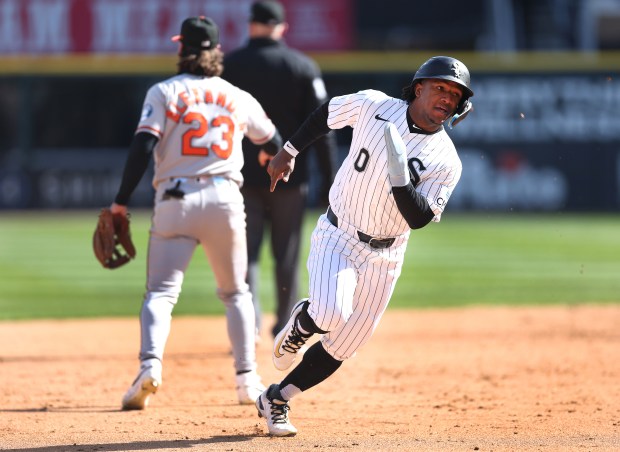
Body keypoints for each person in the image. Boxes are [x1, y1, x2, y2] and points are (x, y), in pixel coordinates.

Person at [254, 56, 475, 436]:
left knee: (345, 344)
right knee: (330, 311)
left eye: (455, 95)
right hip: (339, 234)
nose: (446, 98)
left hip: (387, 255)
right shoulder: (373, 104)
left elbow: (419, 218)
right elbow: (326, 114)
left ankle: (277, 397)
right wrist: (289, 150)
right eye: (440, 88)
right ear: (419, 87)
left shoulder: (447, 160)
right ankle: (300, 325)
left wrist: (400, 177)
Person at [110, 16, 283, 410]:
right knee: (236, 292)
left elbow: (142, 147)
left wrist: (120, 200)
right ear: (217, 52)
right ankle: (246, 380)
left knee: (160, 293)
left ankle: (150, 367)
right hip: (225, 200)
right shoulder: (236, 95)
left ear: (181, 49)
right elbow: (273, 142)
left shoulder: (163, 92)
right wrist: (266, 153)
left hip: (176, 200)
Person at [222, 0, 337, 339]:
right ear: (282, 28)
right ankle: (284, 327)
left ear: (250, 25)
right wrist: (330, 181)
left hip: (240, 177)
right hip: (290, 178)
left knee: (245, 256)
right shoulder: (301, 65)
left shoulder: (230, 66)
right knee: (285, 257)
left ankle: (248, 327)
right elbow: (323, 128)